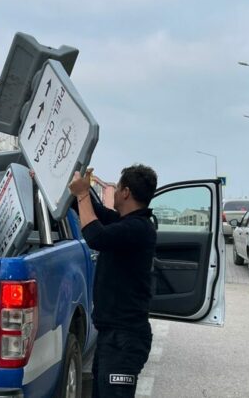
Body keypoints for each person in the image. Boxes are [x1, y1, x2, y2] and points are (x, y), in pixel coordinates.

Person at [67, 164, 158, 398]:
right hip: (114, 337)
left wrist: (83, 193)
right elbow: (93, 212)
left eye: (117, 188)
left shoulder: (138, 229)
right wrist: (68, 187)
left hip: (125, 340)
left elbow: (95, 235)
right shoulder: (125, 222)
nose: (115, 192)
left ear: (126, 192)